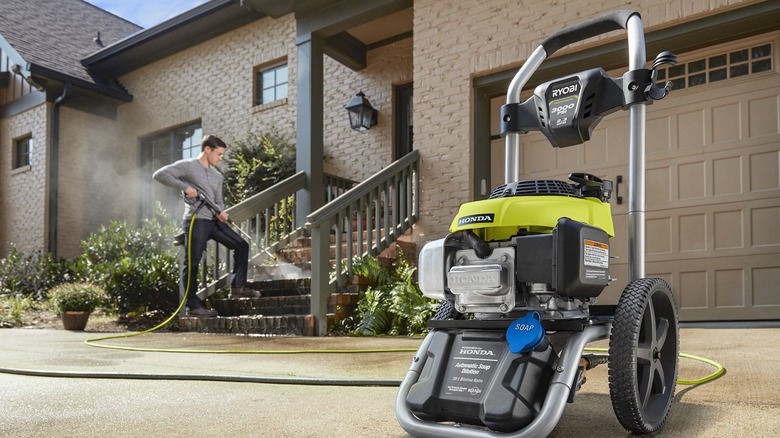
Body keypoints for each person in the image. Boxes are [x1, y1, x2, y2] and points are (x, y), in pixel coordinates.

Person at [153, 134, 259, 317]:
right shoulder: (188, 166)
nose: (220, 158)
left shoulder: (217, 175)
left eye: (222, 155)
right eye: (219, 154)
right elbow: (160, 174)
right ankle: (193, 306)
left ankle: (238, 287)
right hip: (196, 220)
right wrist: (184, 187)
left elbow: (218, 200)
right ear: (207, 149)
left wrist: (221, 212)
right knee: (192, 262)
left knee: (242, 245)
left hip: (214, 221)